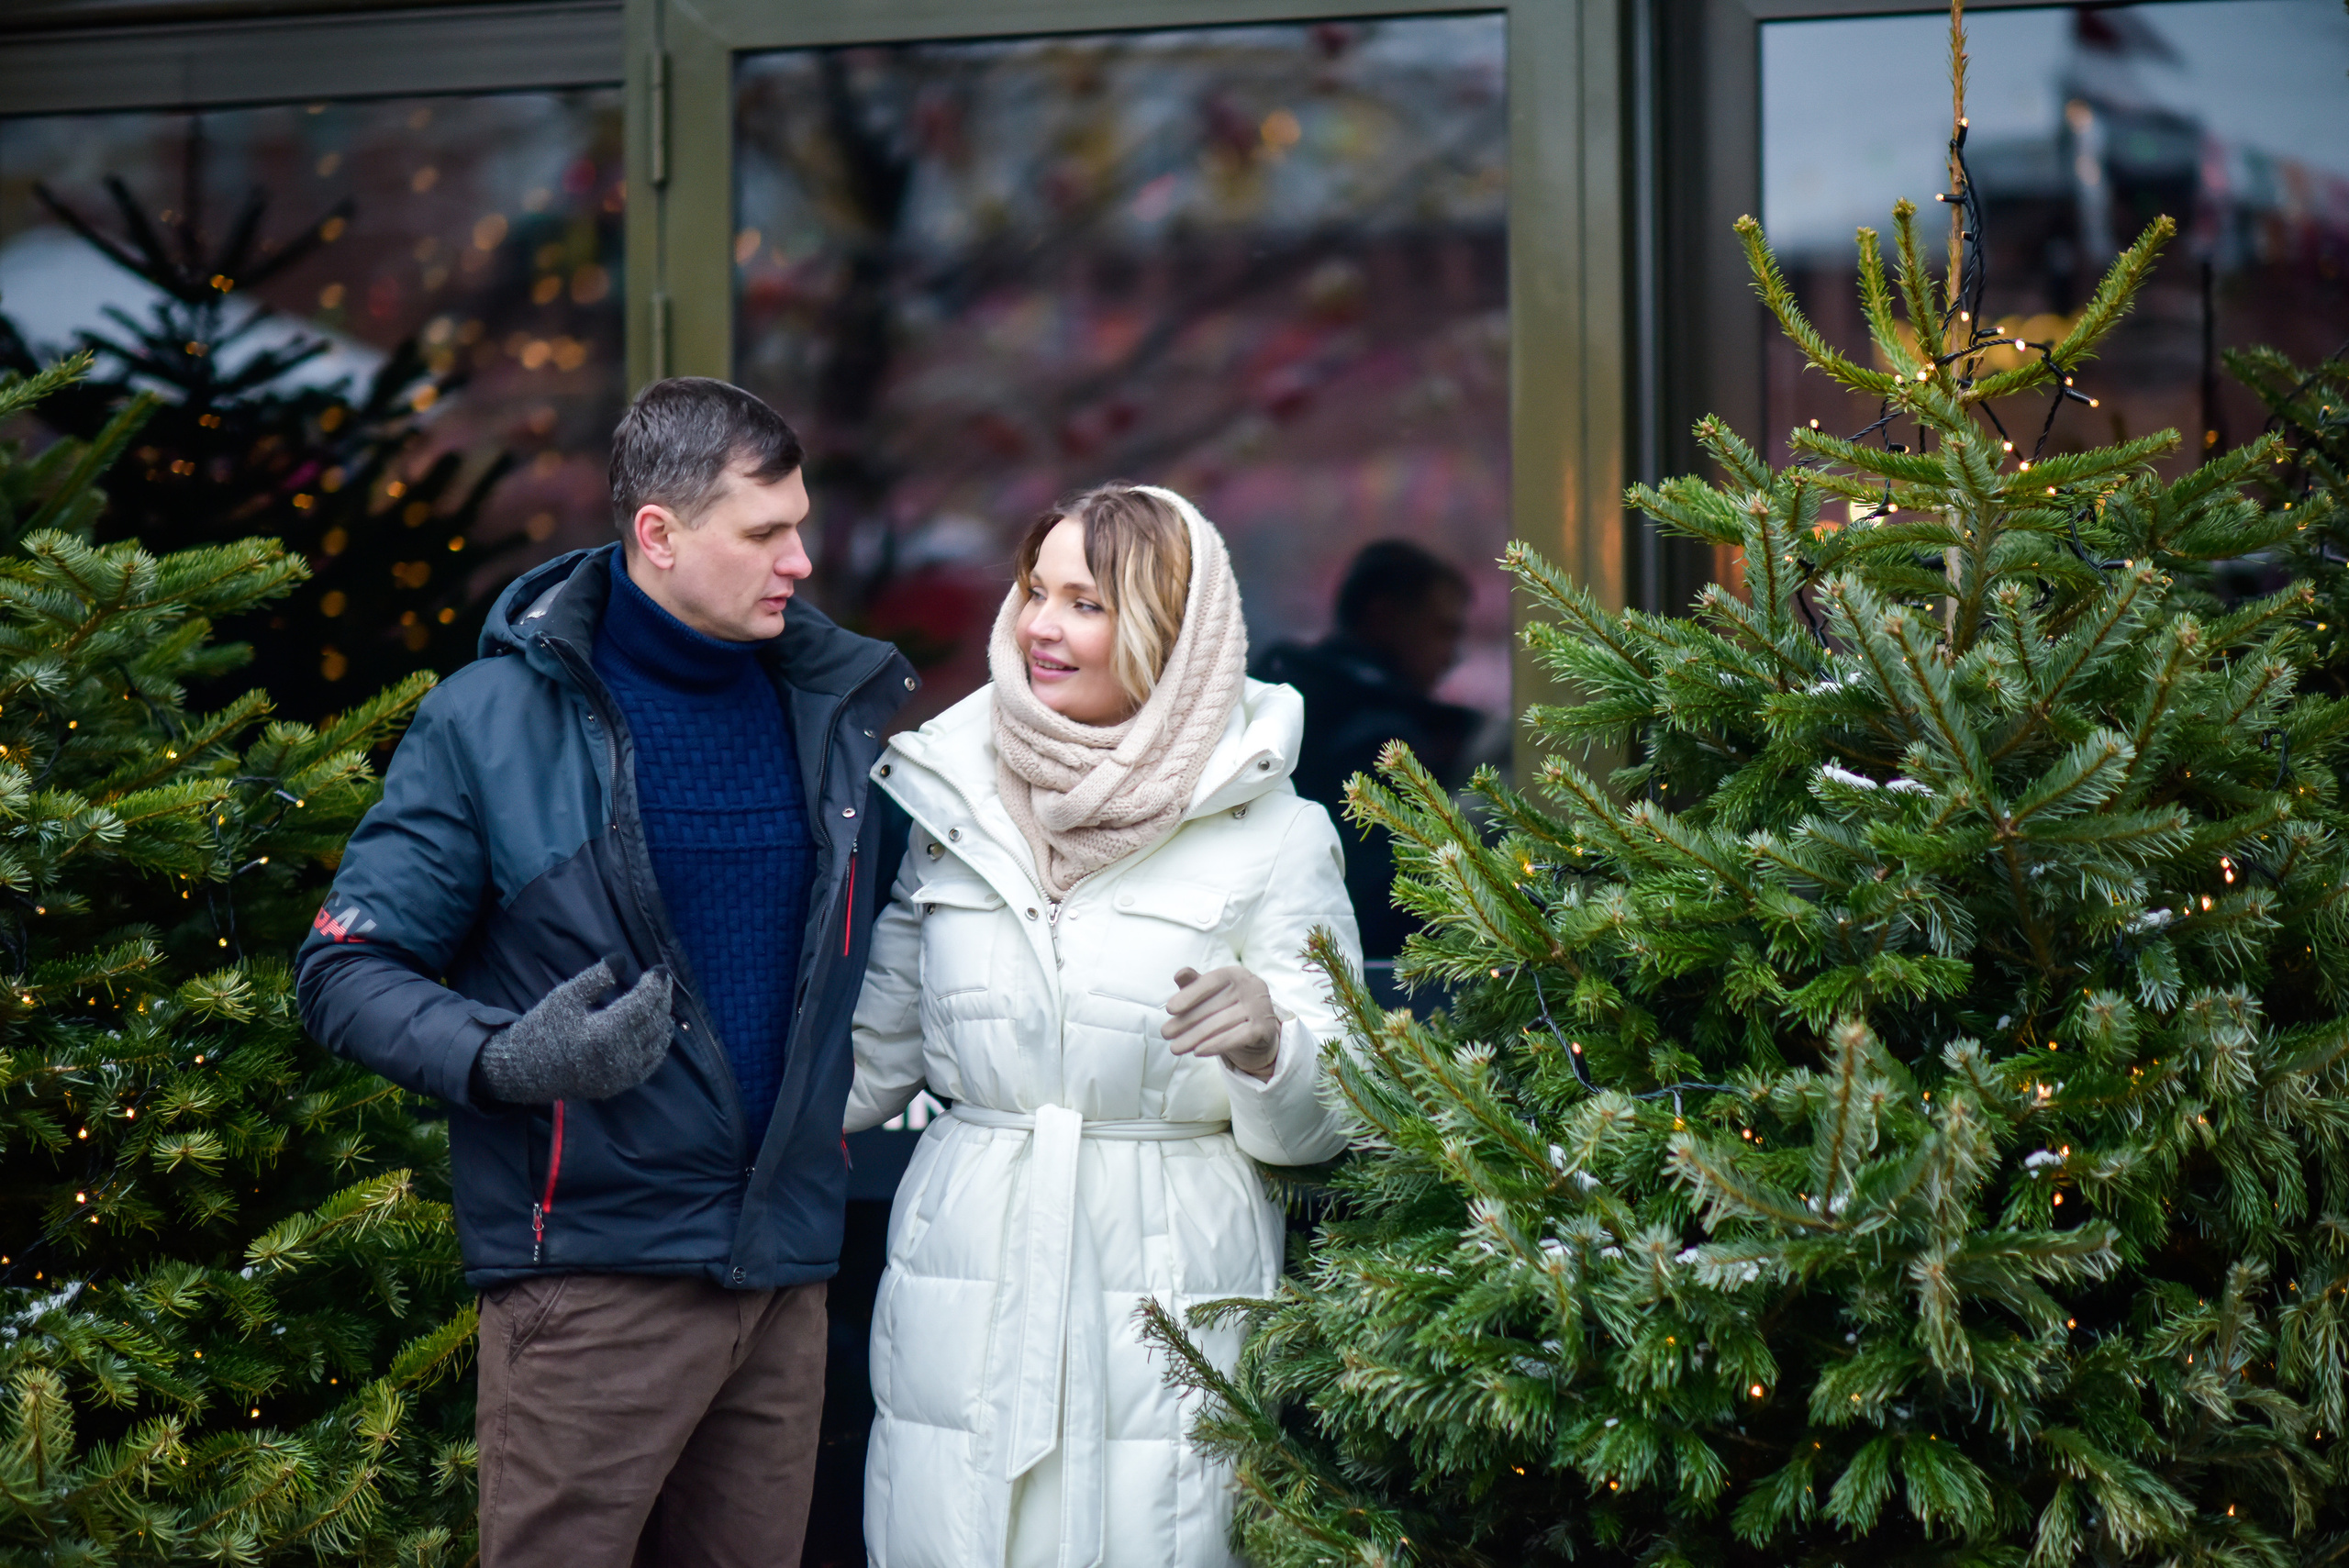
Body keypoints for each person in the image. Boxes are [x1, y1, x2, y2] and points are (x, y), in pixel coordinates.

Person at [295, 377, 918, 1567]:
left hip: (781, 1277)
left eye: (802, 525)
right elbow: (343, 969)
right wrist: (502, 1056)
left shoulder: (827, 717)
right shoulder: (489, 723)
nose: (800, 560)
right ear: (658, 534)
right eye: (765, 532)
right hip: (592, 1285)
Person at [846, 484, 1360, 1568]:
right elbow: (862, 1062)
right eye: (1036, 590)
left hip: (1171, 1264)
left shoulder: (1275, 828)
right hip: (966, 1253)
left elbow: (1333, 1118)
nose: (1039, 625)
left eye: (1087, 603)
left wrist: (1274, 1045)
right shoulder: (952, 802)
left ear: (1173, 632)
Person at [1250, 539, 1482, 962]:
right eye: (1442, 631)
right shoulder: (1375, 740)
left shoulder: (1277, 704)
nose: (1453, 657)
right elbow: (1390, 904)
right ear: (1382, 618)